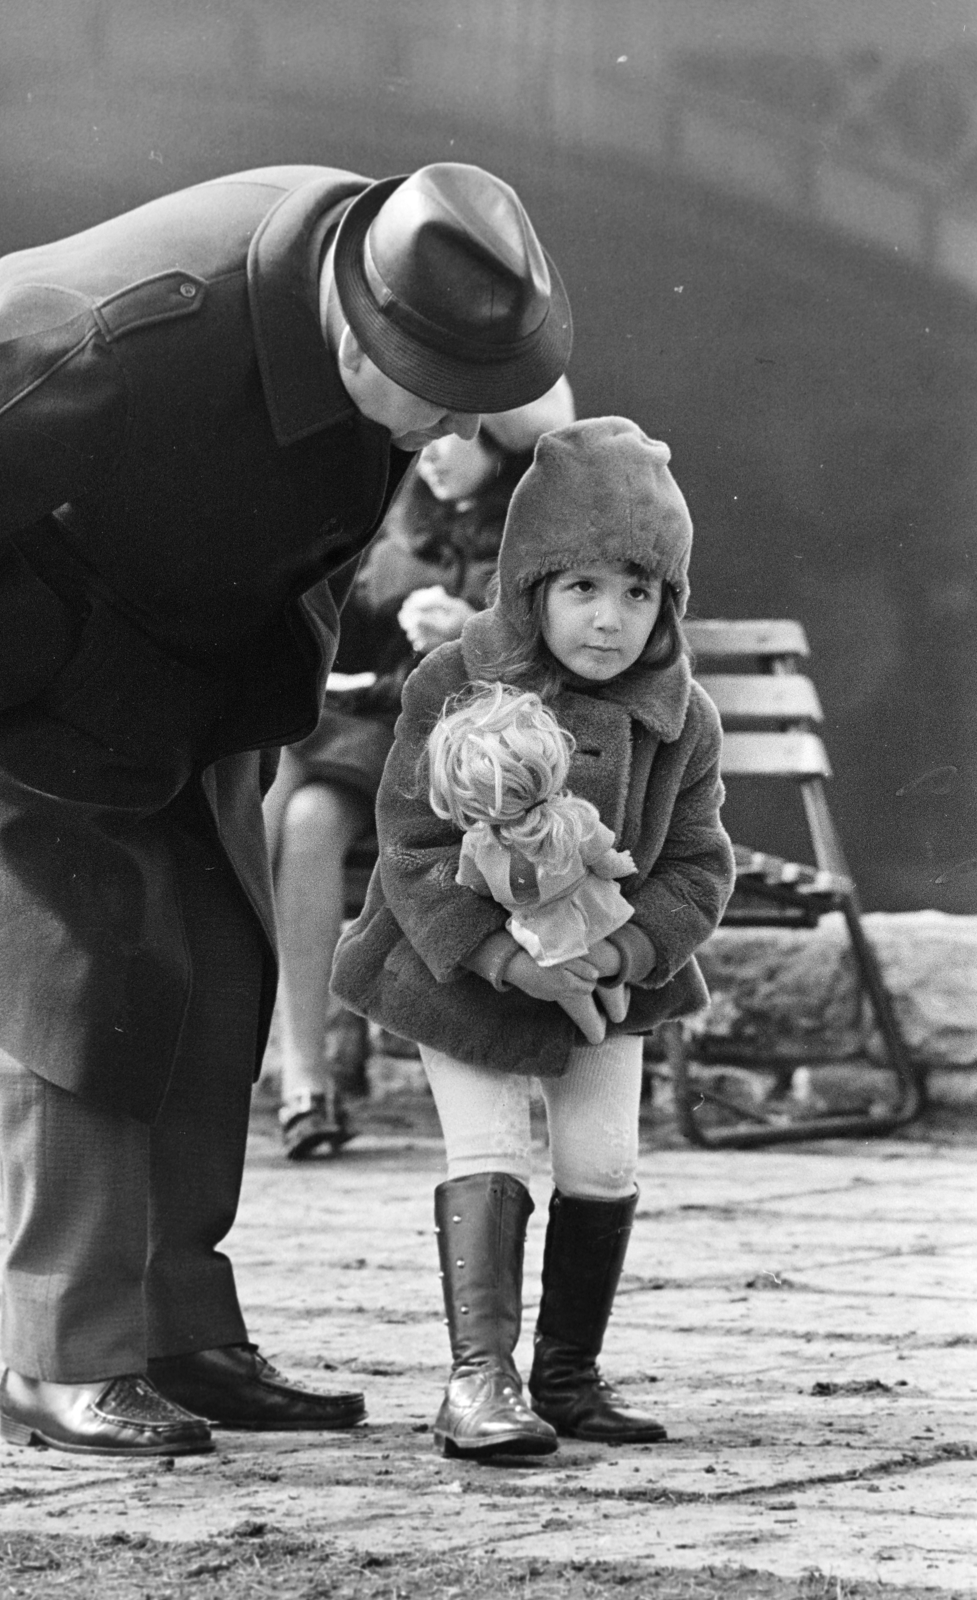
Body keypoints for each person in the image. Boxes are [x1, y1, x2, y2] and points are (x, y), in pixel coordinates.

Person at [0, 160, 571, 1457]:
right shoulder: (120, 320)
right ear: (352, 324)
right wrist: (40, 670)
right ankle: (63, 1358)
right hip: (9, 672)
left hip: (193, 667)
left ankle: (179, 1332)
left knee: (219, 965)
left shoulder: (397, 282)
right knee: (83, 977)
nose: (450, 430)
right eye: (433, 396)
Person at [332, 417, 734, 1460]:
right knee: (493, 1144)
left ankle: (565, 1373)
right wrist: (509, 957)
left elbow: (696, 863)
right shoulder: (458, 682)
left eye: (638, 594)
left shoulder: (679, 716)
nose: (609, 620)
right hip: (458, 963)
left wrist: (620, 952)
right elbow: (412, 845)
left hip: (605, 963)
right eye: (582, 588)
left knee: (601, 1161)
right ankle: (479, 1380)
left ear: (666, 604)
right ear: (529, 587)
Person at [263, 380, 575, 1159]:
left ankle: (242, 1058)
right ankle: (304, 1081)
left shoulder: (533, 533)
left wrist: (467, 629)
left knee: (271, 789)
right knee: (292, 811)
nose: (431, 453)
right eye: (423, 437)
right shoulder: (398, 513)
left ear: (495, 440)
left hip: (451, 749)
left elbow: (549, 668)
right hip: (366, 728)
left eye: (452, 436)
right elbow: (353, 626)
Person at [426, 680, 638, 1046]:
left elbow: (472, 881)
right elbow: (602, 857)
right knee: (589, 966)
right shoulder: (573, 817)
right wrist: (619, 866)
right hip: (579, 907)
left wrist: (477, 888)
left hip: (545, 919)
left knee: (570, 980)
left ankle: (601, 1025)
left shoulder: (483, 840)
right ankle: (613, 1014)